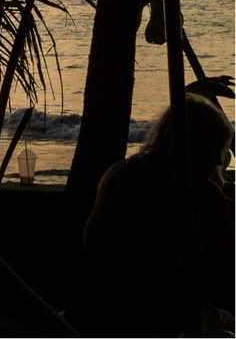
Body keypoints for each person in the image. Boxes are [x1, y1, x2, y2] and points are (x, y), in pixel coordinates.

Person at [83, 95, 234, 335]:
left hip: (91, 310)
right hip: (152, 320)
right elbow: (227, 274)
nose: (218, 161)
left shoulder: (120, 172)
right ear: (194, 145)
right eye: (214, 150)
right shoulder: (196, 194)